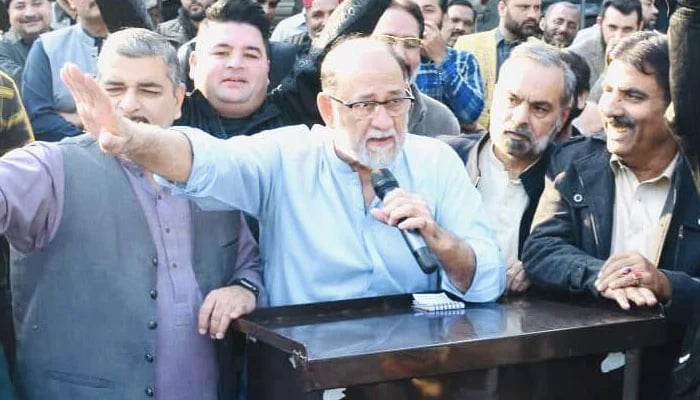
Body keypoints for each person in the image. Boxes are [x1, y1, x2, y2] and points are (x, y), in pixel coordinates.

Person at [62, 35, 505, 308]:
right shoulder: (285, 156)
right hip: (308, 370)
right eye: (364, 105)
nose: (385, 122)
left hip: (413, 371)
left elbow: (488, 283)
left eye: (395, 101)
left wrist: (439, 239)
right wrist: (132, 137)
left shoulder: (435, 161)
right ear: (328, 109)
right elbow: (205, 160)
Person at [9, 28, 264, 400]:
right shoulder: (49, 168)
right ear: (91, 93)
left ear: (178, 100)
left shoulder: (210, 175)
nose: (129, 105)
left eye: (148, 90)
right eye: (114, 90)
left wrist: (244, 289)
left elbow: (249, 263)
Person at [523, 31, 700, 399]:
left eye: (633, 96)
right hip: (581, 376)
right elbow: (541, 249)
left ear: (674, 109)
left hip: (675, 378)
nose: (612, 109)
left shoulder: (696, 181)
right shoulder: (573, 163)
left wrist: (666, 284)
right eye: (608, 92)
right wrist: (604, 274)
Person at [442, 42, 574, 294]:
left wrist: (542, 269)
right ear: (493, 96)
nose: (521, 118)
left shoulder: (572, 181)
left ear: (563, 117)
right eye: (512, 100)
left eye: (539, 108)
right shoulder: (446, 159)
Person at [21, 0, 107, 141]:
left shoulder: (145, 42)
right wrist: (91, 144)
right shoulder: (47, 47)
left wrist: (73, 117)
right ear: (70, 3)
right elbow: (39, 119)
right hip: (70, 153)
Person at [454, 0, 542, 129]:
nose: (533, 15)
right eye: (524, 7)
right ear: (502, 8)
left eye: (537, 8)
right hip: (471, 139)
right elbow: (454, 97)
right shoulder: (467, 45)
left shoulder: (548, 54)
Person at [414, 0, 485, 128]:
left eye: (429, 10)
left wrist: (441, 59)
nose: (420, 16)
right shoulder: (392, 55)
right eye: (414, 9)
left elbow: (471, 114)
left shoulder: (463, 60)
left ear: (444, 17)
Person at [0, 0, 51, 85]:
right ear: (8, 11)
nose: (30, 13)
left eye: (37, 4)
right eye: (20, 7)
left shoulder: (68, 42)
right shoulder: (3, 51)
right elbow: (29, 86)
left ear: (50, 7)